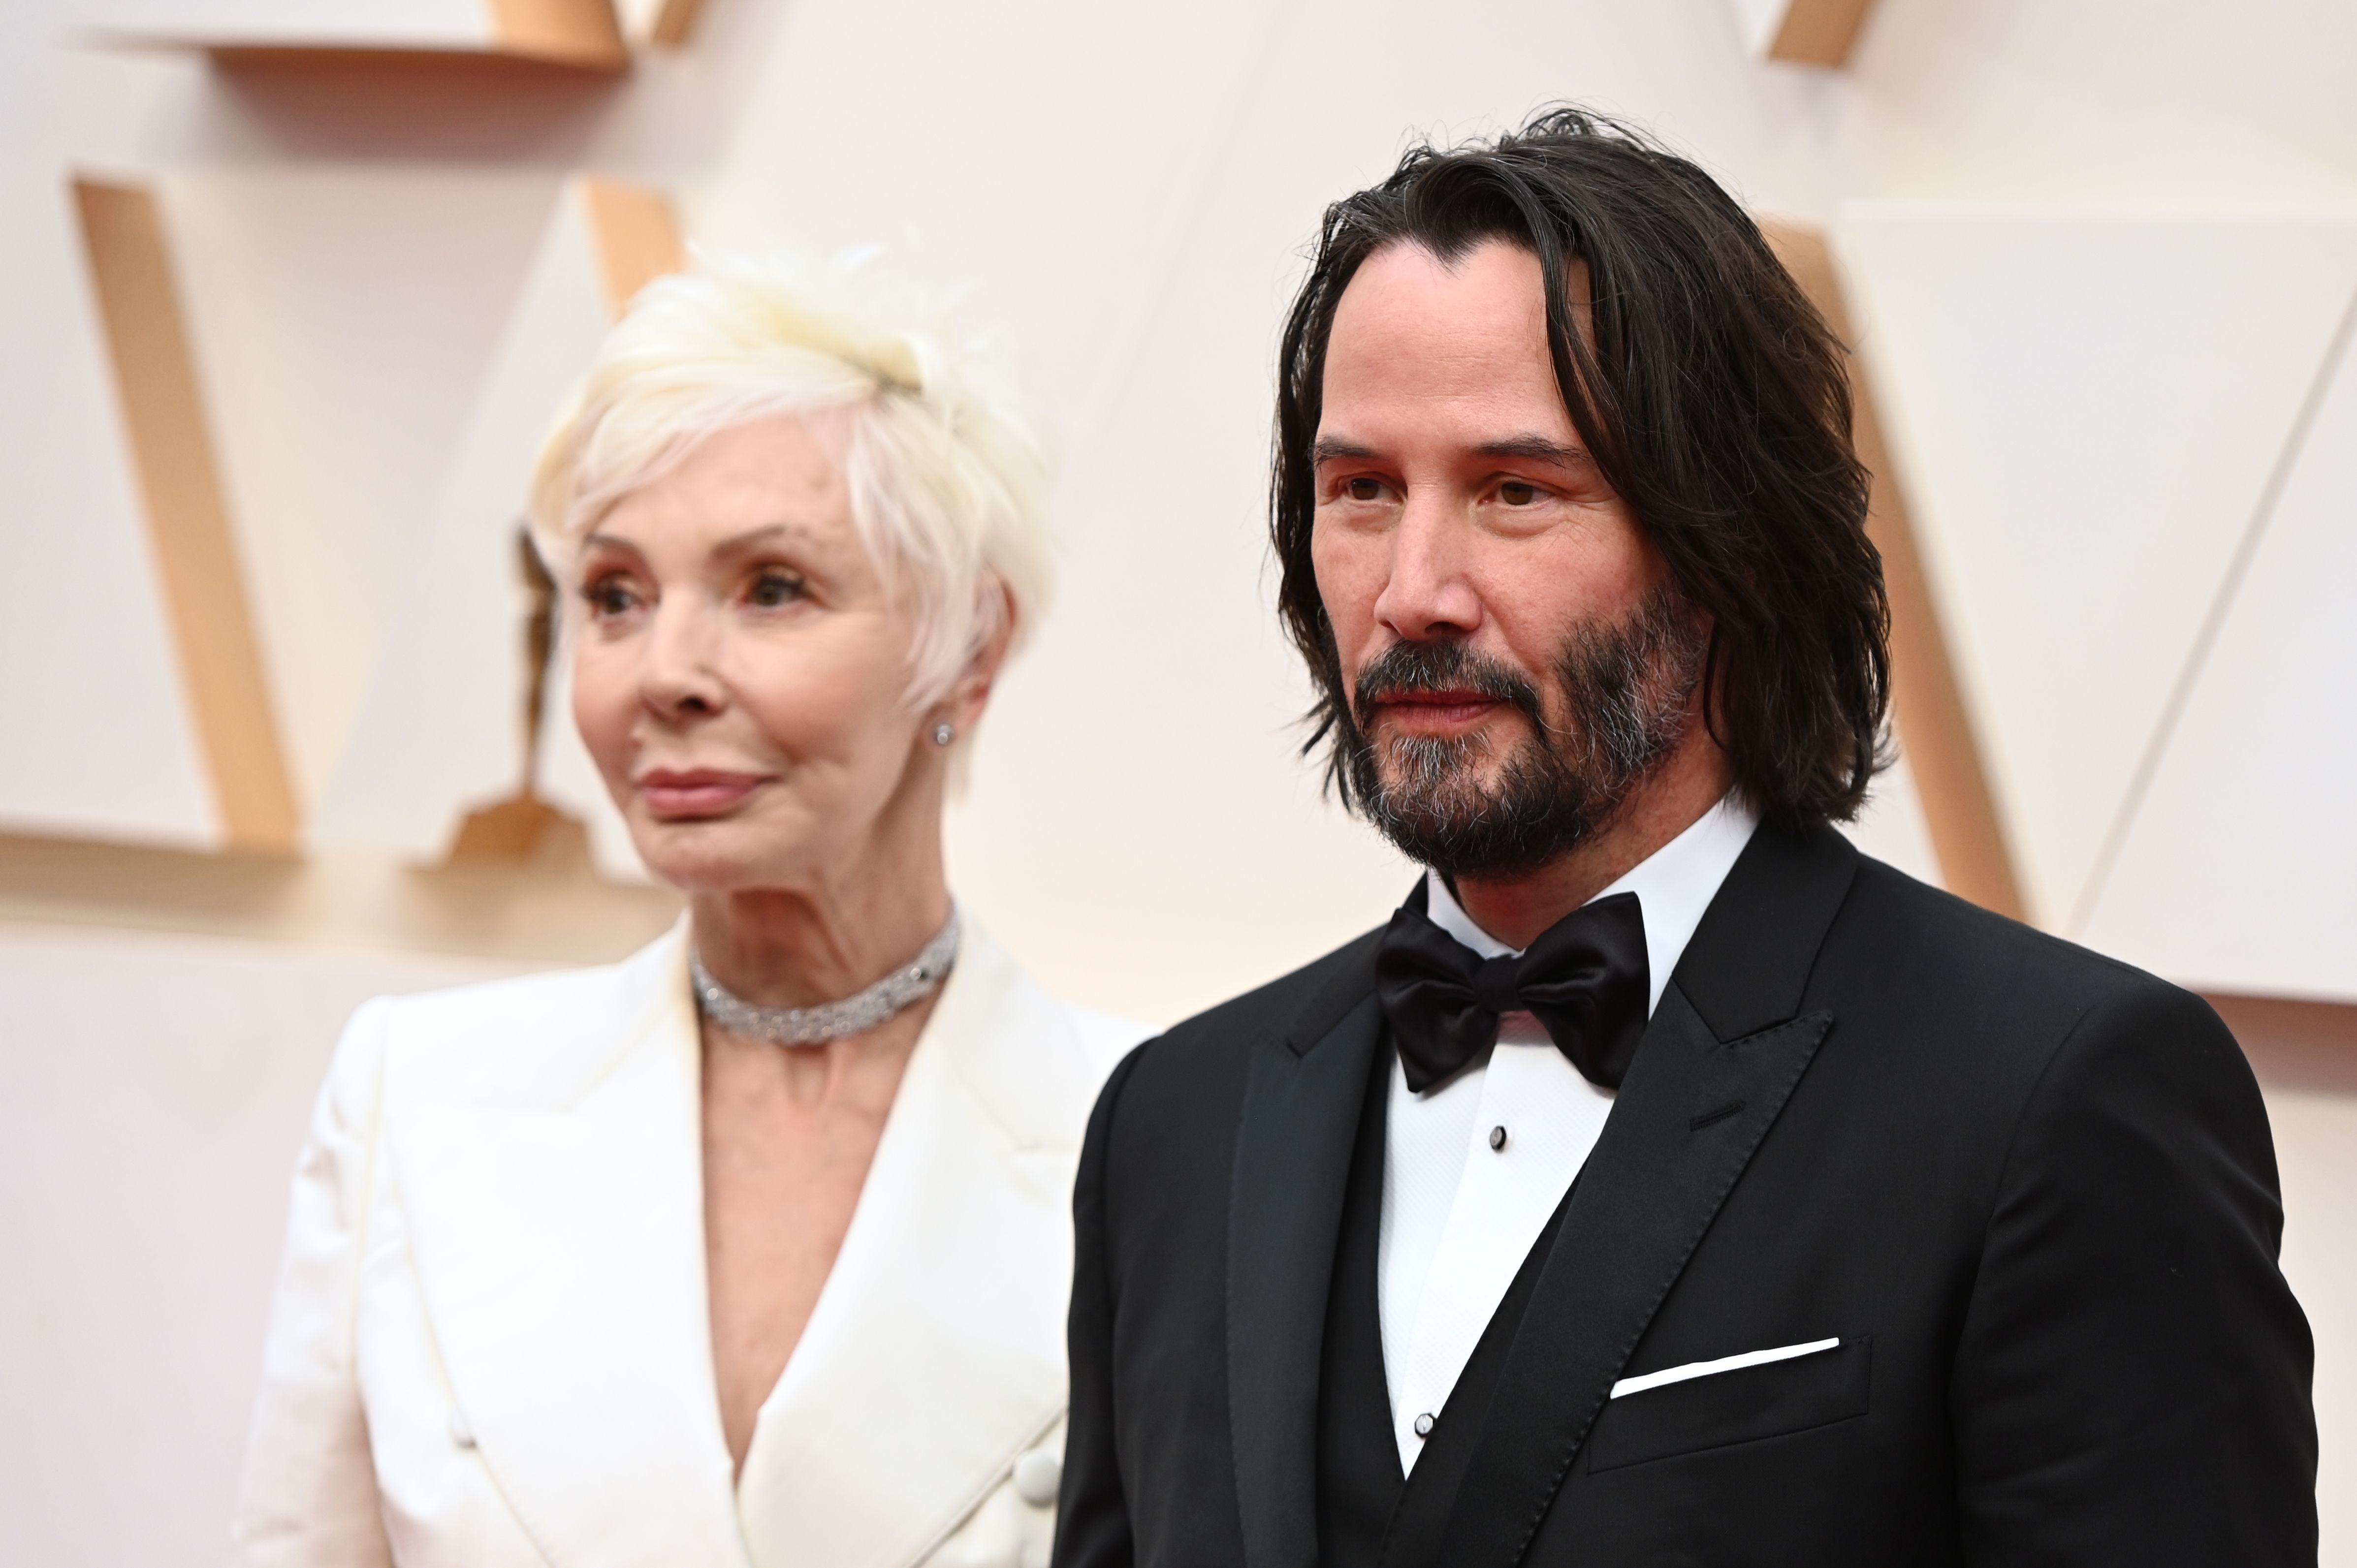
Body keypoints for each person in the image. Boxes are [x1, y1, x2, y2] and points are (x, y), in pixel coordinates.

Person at [1052, 108, 2316, 1567]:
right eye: (1362, 492)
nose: (1413, 592)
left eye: (1516, 490)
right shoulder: (1171, 1124)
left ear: (1731, 549)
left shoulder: (2053, 1098)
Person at [231, 252, 1144, 1568]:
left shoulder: (1160, 1139)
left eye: (773, 586)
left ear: (971, 648)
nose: (663, 674)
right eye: (614, 596)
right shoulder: (413, 1101)